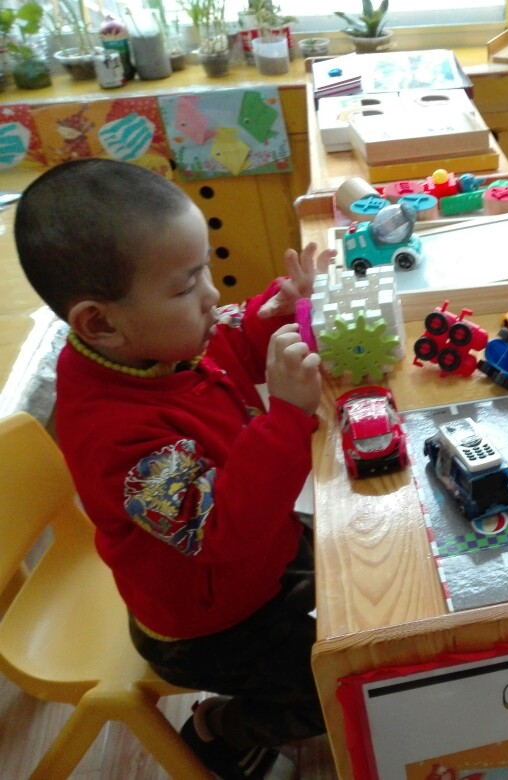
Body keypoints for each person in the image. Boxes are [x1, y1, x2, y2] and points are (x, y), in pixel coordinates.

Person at [15, 159, 336, 780]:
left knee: (357, 577)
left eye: (205, 270)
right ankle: (220, 732)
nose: (212, 295)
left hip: (256, 557)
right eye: (187, 287)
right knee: (336, 685)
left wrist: (276, 312)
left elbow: (228, 343)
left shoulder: (151, 348)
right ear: (99, 322)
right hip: (208, 624)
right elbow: (220, 532)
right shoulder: (117, 441)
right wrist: (289, 418)